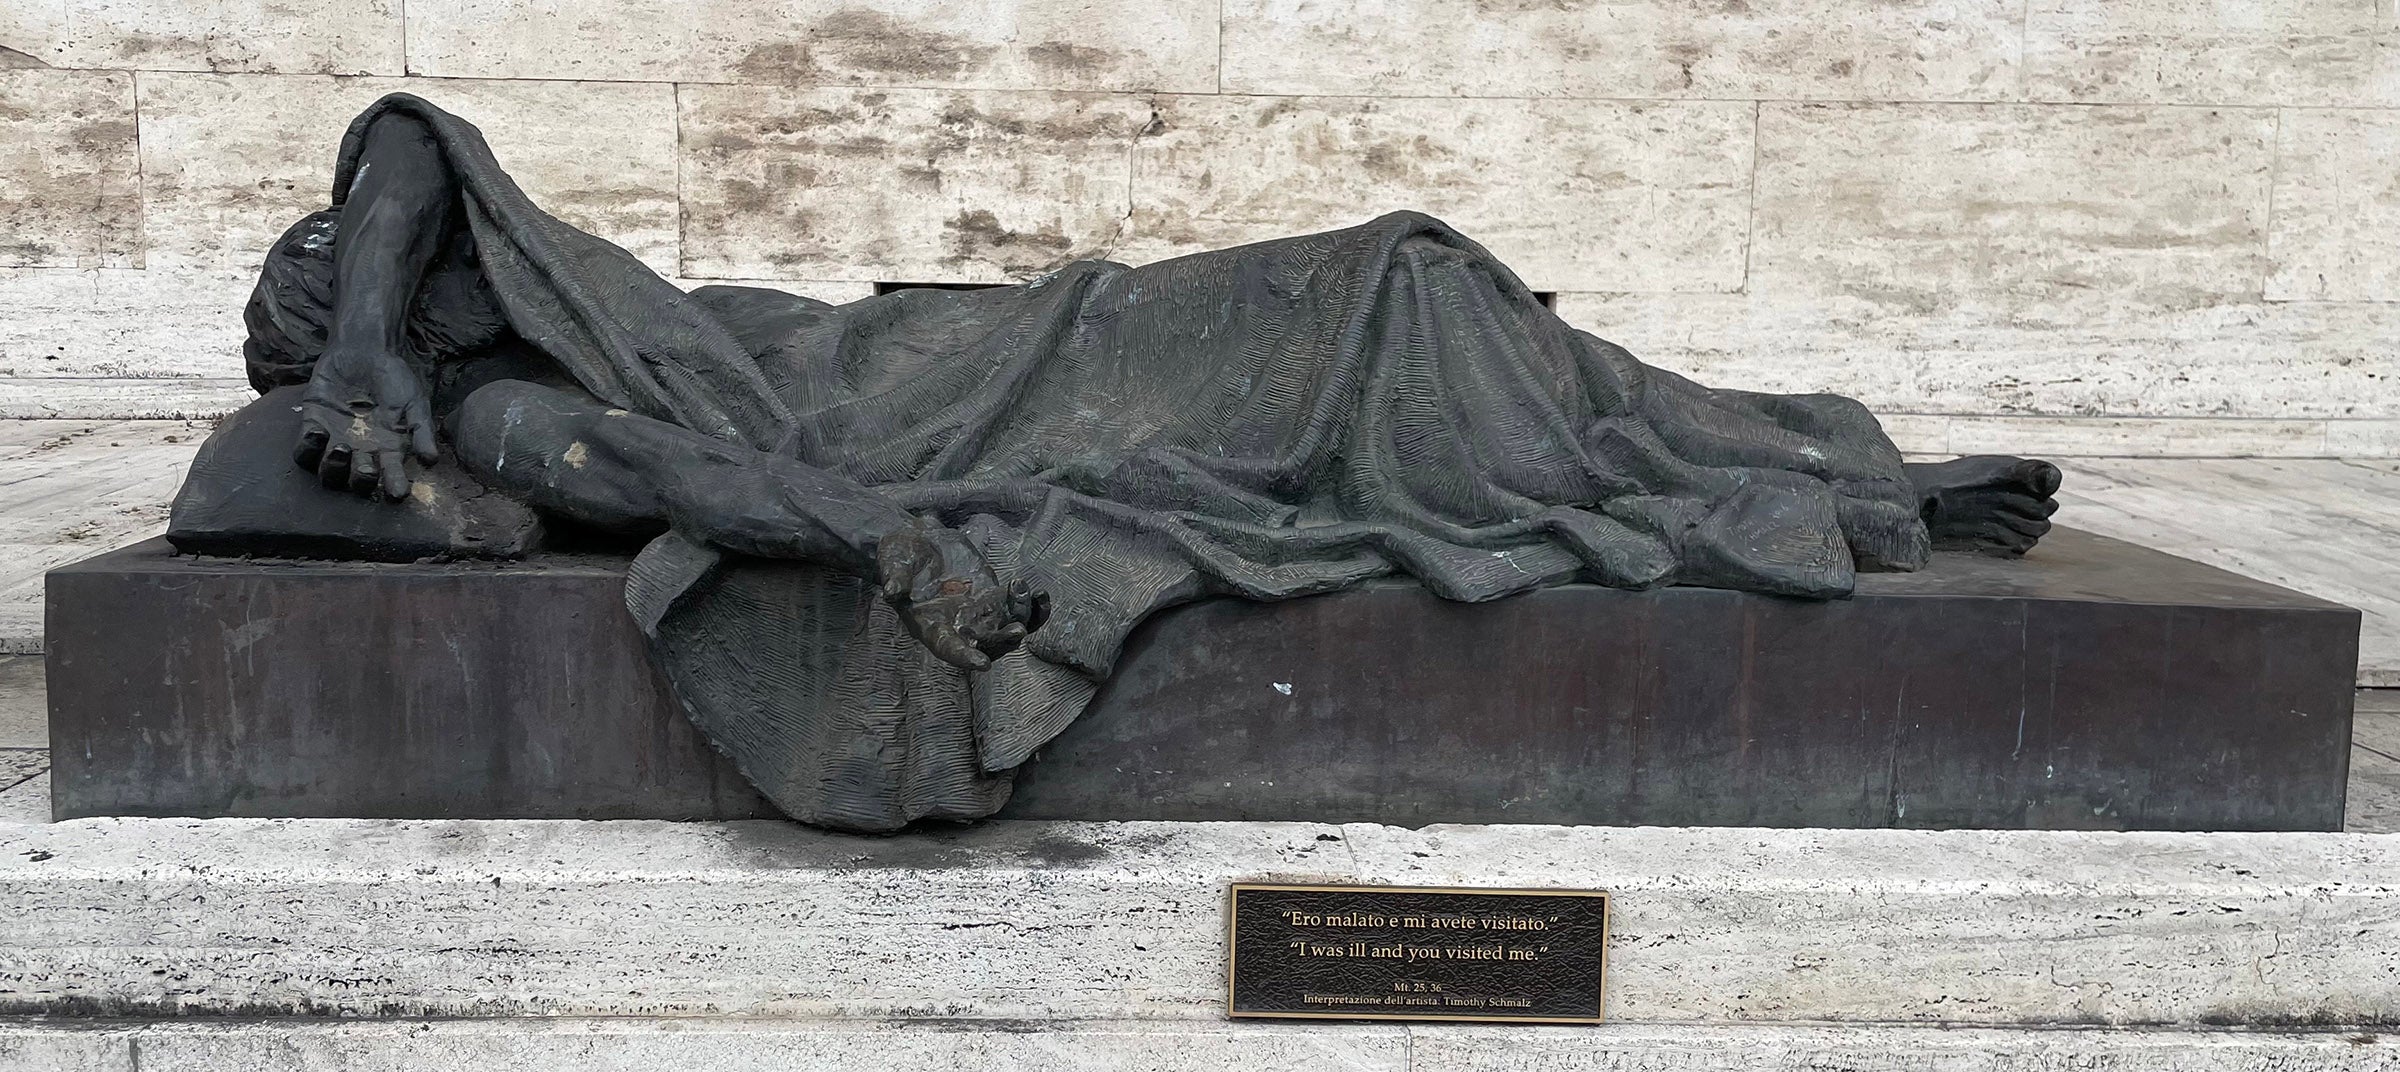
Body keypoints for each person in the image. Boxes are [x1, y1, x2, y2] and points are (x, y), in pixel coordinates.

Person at [215, 94, 2061, 829]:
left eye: (339, 250)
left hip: (1012, 346)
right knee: (1400, 313)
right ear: (322, 363)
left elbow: (397, 143)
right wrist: (891, 543)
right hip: (977, 418)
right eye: (316, 279)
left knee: (1410, 299)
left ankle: (1808, 464)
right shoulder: (503, 407)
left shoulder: (456, 283)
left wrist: (362, 332)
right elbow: (711, 491)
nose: (339, 240)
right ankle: (1815, 492)